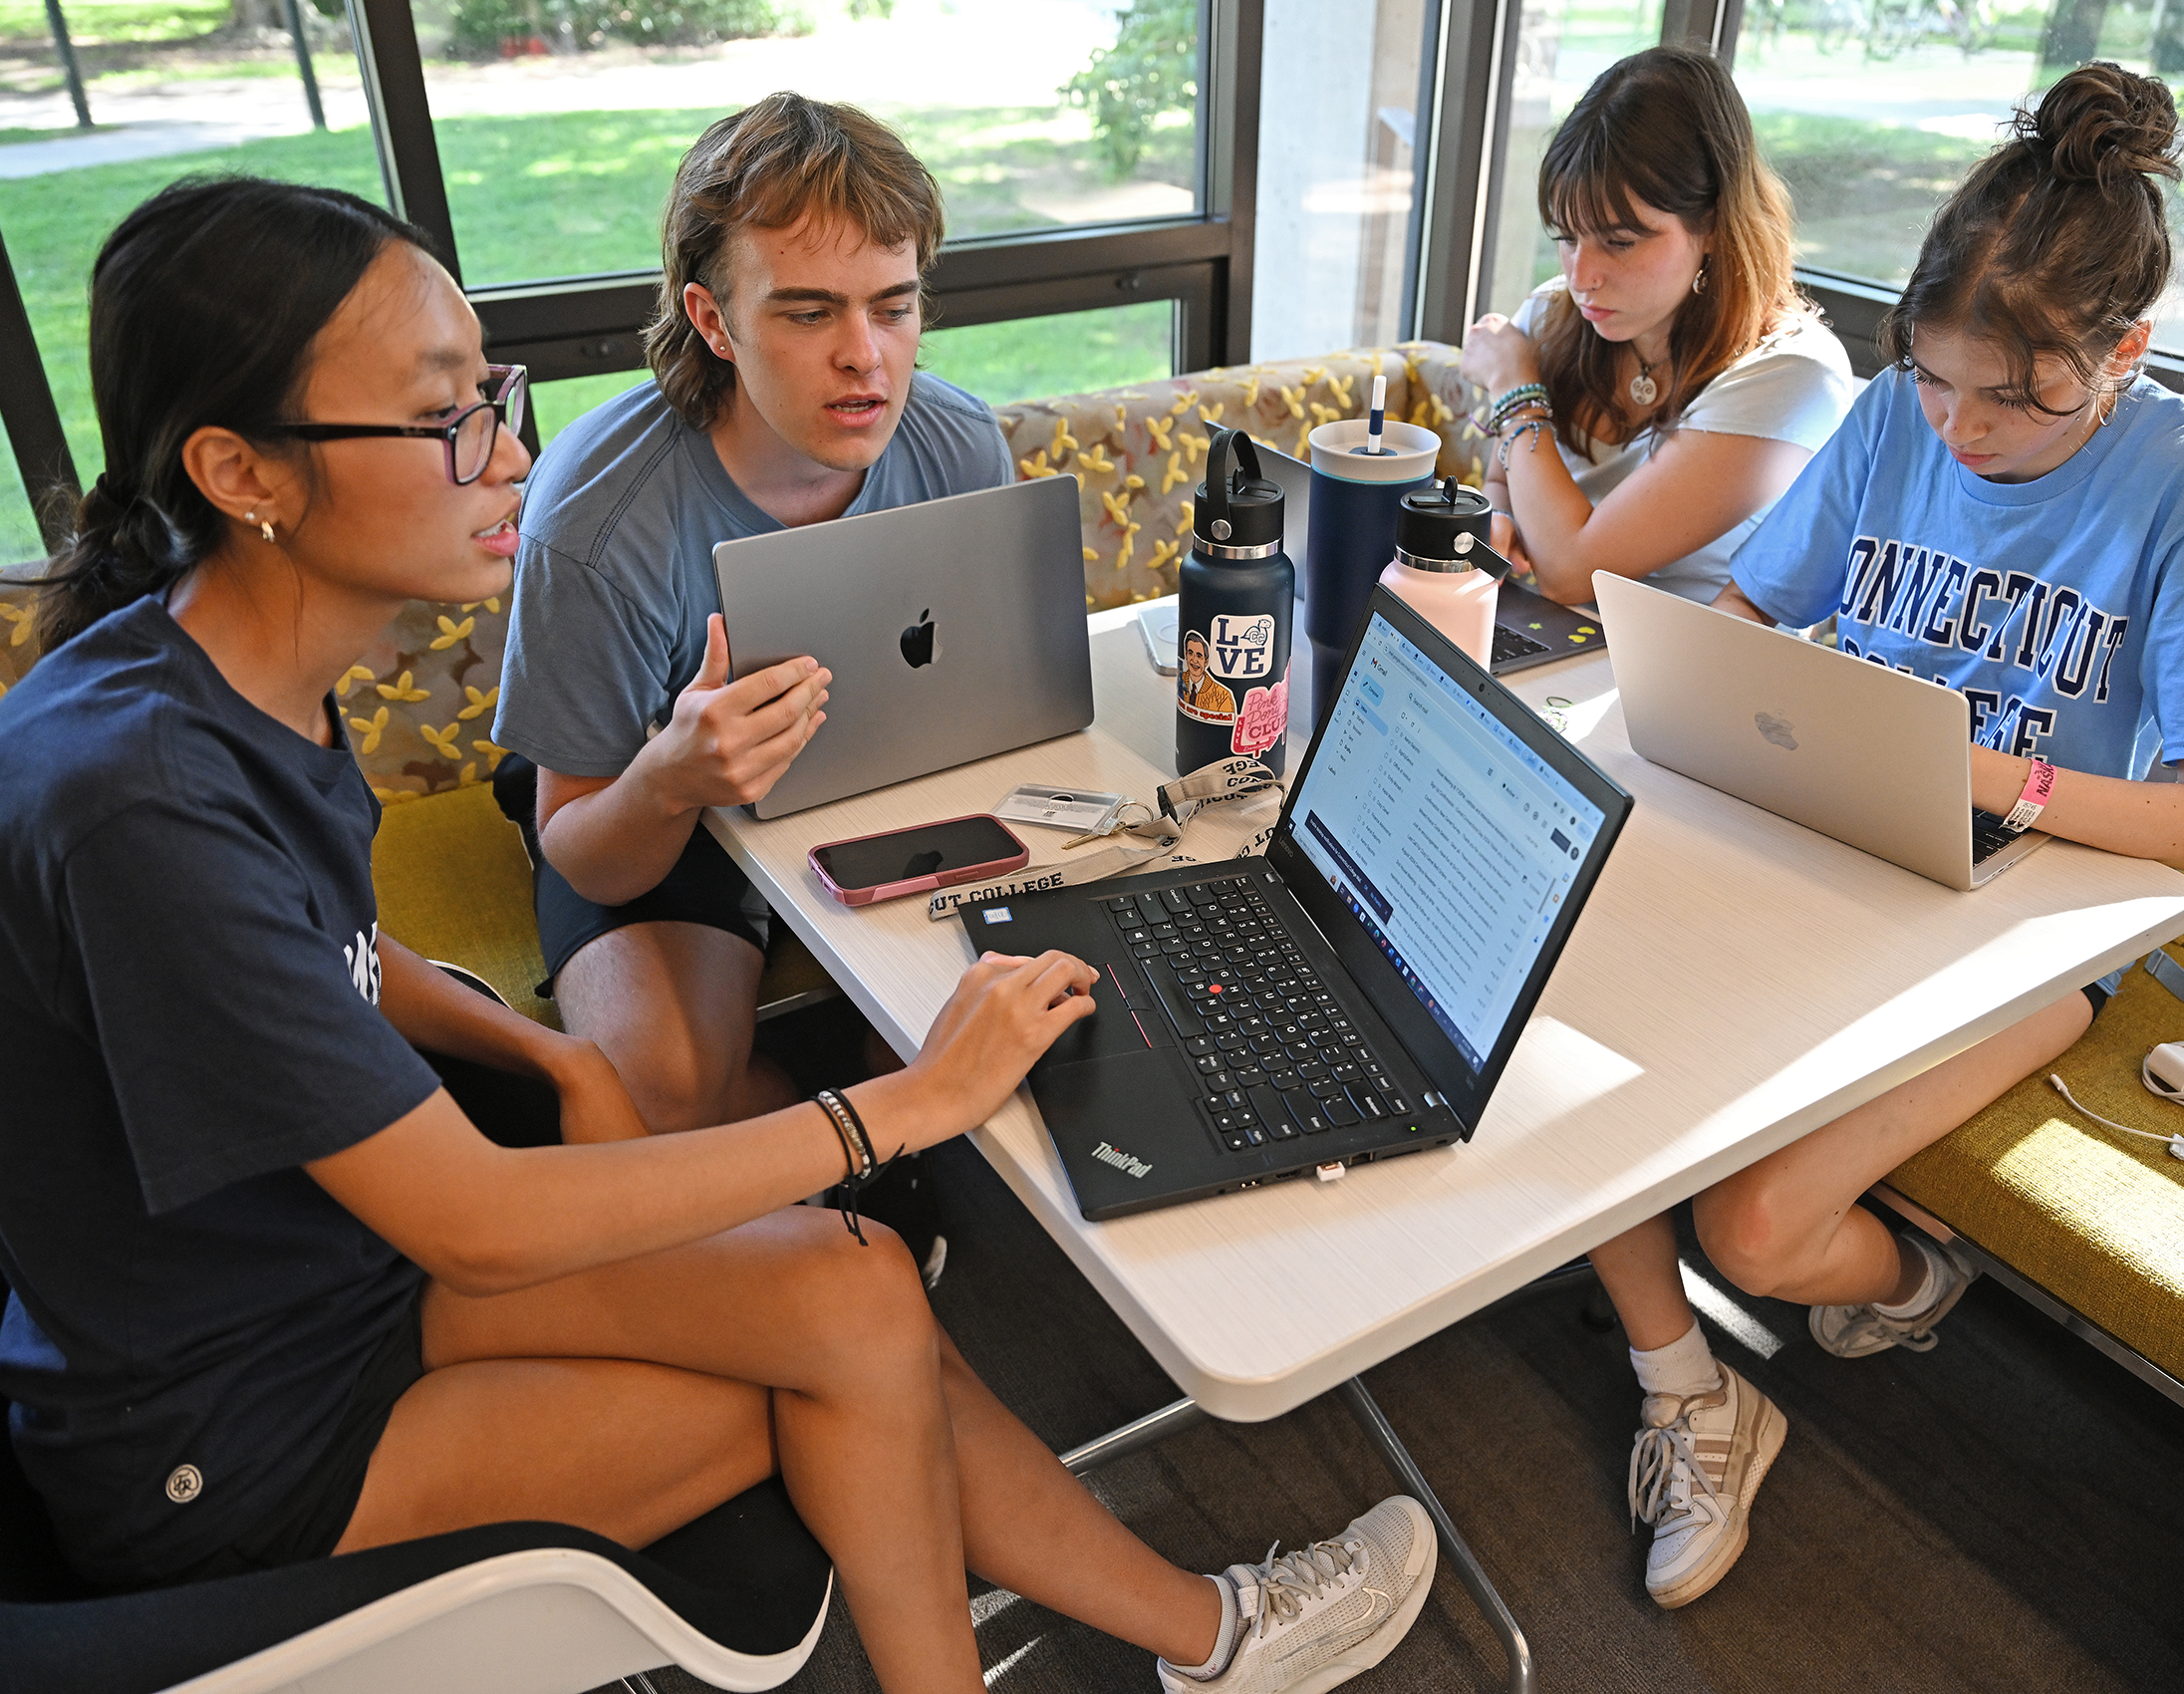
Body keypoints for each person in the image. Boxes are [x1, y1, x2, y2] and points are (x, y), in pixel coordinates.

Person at [0, 175, 1442, 1694]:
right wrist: (906, 1103)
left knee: (857, 1285)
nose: (510, 455)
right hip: (238, 1431)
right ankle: (1195, 1636)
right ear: (243, 469)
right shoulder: (137, 804)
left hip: (331, 1281)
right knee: (850, 1369)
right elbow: (475, 1224)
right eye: (447, 423)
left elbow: (338, 955)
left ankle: (1210, 1638)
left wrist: (544, 1056)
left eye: (491, 393)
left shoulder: (225, 676)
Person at [1581, 63, 2184, 1611]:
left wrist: (1994, 779)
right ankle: (1682, 1385)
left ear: (2123, 356)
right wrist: (1773, 694)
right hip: (1840, 833)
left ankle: (1912, 1284)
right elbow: (1756, 609)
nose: (1960, 430)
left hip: (2036, 910)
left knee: (1757, 1228)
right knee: (1563, 1007)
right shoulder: (1901, 424)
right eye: (1934, 379)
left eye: (2015, 396)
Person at [489, 93, 1012, 1144]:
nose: (867, 355)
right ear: (713, 318)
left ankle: (851, 1127)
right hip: (650, 795)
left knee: (989, 1016)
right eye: (810, 312)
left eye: (894, 305)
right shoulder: (597, 515)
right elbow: (585, 847)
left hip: (884, 774)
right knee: (659, 1089)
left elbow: (996, 704)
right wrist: (675, 775)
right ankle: (865, 1163)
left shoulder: (959, 447)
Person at [1458, 45, 1854, 609]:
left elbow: (1573, 571)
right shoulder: (1553, 316)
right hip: (1541, 639)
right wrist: (1497, 515)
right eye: (1567, 239)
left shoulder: (1791, 374)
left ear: (1714, 224)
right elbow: (1506, 483)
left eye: (1620, 242)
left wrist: (1516, 393)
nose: (1582, 277)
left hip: (1688, 679)